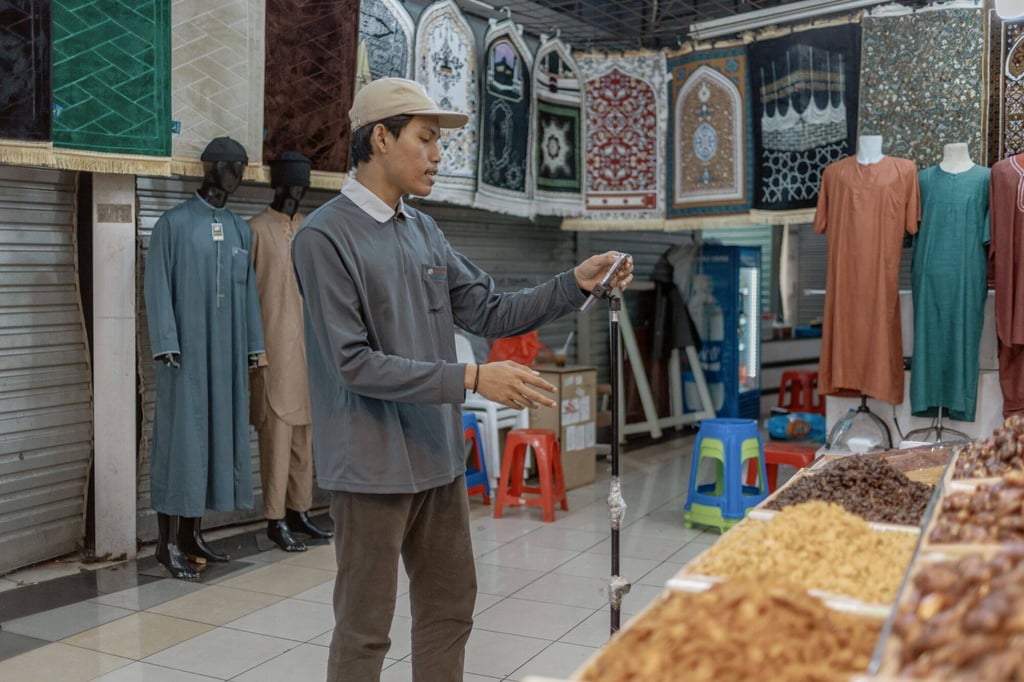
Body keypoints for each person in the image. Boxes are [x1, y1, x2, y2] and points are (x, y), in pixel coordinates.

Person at [291, 77, 633, 682]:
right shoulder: (324, 237)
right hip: (370, 466)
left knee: (451, 608)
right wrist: (473, 376)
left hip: (438, 456)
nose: (437, 156)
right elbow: (353, 363)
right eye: (425, 140)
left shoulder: (423, 230)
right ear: (380, 138)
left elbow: (489, 311)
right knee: (365, 628)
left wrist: (572, 283)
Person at [144, 136, 265, 580]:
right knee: (180, 444)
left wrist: (254, 347)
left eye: (243, 166)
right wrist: (166, 342)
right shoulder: (172, 224)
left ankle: (191, 536)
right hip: (185, 357)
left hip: (227, 356)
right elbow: (157, 285)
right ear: (211, 166)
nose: (239, 174)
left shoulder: (239, 230)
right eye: (234, 165)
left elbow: (247, 292)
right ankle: (163, 544)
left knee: (215, 441)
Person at [248, 151, 332, 552]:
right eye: (292, 186)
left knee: (304, 436)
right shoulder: (255, 231)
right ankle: (274, 517)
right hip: (272, 349)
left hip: (309, 351)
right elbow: (244, 298)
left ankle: (300, 511)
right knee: (277, 438)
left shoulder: (310, 230)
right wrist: (252, 350)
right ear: (277, 186)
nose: (297, 194)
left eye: (303, 187)